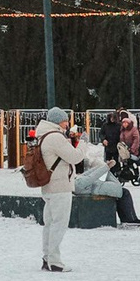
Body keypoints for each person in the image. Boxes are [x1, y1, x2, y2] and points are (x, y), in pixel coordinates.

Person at [29, 109, 93, 272]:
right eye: (65, 121)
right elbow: (75, 157)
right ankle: (54, 261)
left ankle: (47, 258)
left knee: (50, 224)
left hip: (49, 186)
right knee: (59, 224)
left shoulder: (44, 135)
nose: (67, 124)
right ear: (58, 121)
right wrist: (84, 142)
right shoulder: (55, 137)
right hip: (60, 186)